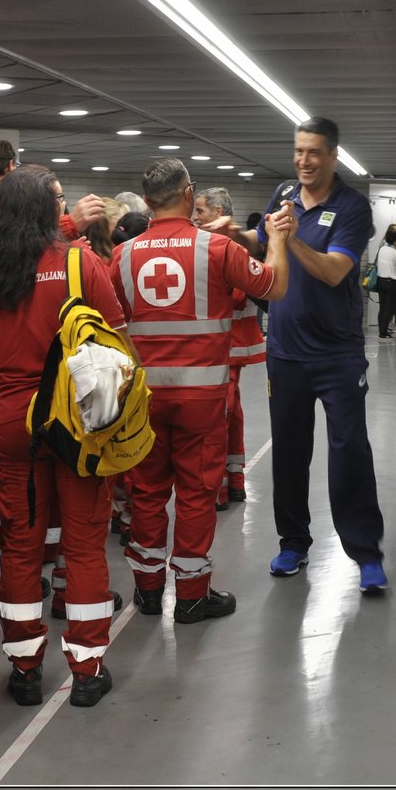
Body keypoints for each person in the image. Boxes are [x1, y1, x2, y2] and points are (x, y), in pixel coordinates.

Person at [0, 167, 131, 708]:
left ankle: (24, 670)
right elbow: (119, 349)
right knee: (84, 547)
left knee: (22, 549)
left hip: (13, 424)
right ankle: (87, 669)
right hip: (77, 424)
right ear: (48, 213)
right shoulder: (81, 262)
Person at [204, 116, 387, 594]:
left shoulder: (352, 208)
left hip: (337, 355)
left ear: (332, 156)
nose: (303, 161)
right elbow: (263, 243)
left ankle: (365, 553)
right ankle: (293, 543)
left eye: (313, 153)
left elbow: (332, 271)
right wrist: (231, 236)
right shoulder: (284, 194)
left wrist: (293, 238)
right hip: (286, 352)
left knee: (350, 451)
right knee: (289, 452)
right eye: (299, 151)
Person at [112, 159, 288, 624]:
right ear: (188, 193)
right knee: (195, 493)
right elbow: (275, 285)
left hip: (143, 400)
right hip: (203, 399)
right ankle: (190, 594)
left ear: (147, 202)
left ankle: (148, 591)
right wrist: (281, 241)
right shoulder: (216, 248)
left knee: (146, 492)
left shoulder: (123, 254)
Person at [192, 186, 264, 507]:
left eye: (200, 211)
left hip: (224, 344)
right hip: (225, 346)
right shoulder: (220, 245)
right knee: (231, 411)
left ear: (218, 213)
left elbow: (237, 294)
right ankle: (234, 476)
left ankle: (220, 484)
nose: (194, 217)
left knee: (223, 412)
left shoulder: (225, 246)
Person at [374, 227, 396, 340]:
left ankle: (381, 330)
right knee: (389, 308)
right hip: (392, 282)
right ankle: (384, 332)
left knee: (382, 307)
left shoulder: (382, 249)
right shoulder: (395, 253)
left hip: (380, 280)